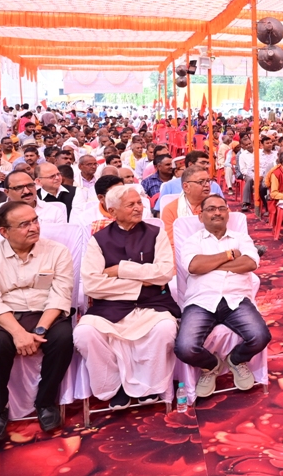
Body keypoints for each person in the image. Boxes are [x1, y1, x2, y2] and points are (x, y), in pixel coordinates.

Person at [0, 201, 75, 441]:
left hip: (45, 313)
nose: (34, 228)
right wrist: (19, 333)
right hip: (5, 316)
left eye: (35, 221)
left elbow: (60, 295)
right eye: (24, 224)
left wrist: (39, 330)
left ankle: (46, 402)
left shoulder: (57, 251)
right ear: (4, 232)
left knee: (63, 339)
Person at [73, 186, 178, 408]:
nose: (138, 208)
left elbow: (164, 273)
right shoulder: (99, 240)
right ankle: (114, 386)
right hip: (109, 308)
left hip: (151, 305)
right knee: (84, 333)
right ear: (113, 211)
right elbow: (92, 285)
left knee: (165, 329)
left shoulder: (155, 233)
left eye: (139, 203)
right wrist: (142, 283)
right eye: (131, 205)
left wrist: (120, 269)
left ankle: (148, 385)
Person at [174, 194, 270, 397]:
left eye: (221, 208)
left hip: (236, 299)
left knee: (260, 336)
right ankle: (211, 366)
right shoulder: (192, 241)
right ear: (200, 216)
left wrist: (210, 265)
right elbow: (194, 266)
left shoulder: (240, 238)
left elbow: (250, 263)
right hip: (201, 301)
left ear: (228, 213)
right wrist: (229, 255)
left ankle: (236, 360)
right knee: (185, 348)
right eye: (211, 209)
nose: (217, 213)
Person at [159, 165, 212, 247]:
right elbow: (170, 244)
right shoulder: (171, 210)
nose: (207, 185)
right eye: (201, 182)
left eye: (208, 181)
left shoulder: (218, 206)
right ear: (186, 187)